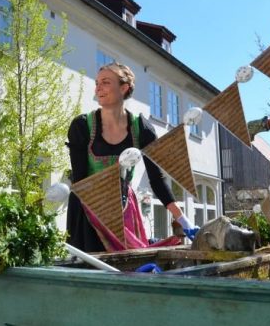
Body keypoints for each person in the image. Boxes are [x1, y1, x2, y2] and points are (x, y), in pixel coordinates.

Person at [66, 62, 199, 253]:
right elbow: (80, 180)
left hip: (124, 210)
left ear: (124, 87)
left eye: (105, 82)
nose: (98, 88)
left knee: (128, 268)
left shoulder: (142, 129)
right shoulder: (82, 126)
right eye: (97, 82)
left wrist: (184, 221)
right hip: (87, 211)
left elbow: (157, 180)